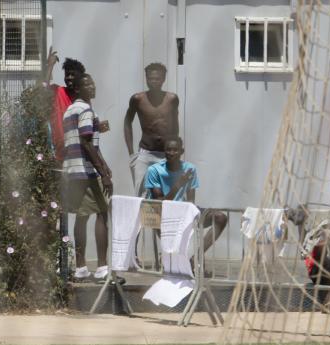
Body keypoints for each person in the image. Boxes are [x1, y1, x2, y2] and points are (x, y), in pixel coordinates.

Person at [144, 137, 227, 268]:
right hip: (162, 214)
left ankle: (197, 257)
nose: (171, 153)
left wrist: (190, 216)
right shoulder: (154, 170)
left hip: (183, 210)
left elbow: (190, 201)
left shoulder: (189, 169)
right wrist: (179, 184)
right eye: (168, 150)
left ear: (181, 151)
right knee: (175, 255)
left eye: (175, 150)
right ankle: (170, 255)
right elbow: (160, 202)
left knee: (220, 218)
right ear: (164, 152)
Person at [62, 73, 113, 281]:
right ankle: (102, 267)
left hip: (73, 170)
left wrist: (105, 164)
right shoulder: (85, 109)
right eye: (86, 84)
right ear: (78, 89)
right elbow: (86, 142)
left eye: (92, 82)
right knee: (102, 212)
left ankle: (81, 267)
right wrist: (103, 172)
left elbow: (86, 139)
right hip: (87, 171)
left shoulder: (69, 110)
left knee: (82, 216)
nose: (91, 86)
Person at [124, 63, 180, 196]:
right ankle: (140, 217)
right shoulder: (137, 99)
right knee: (141, 193)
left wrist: (175, 151)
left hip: (165, 155)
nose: (153, 82)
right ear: (146, 79)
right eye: (150, 78)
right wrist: (132, 153)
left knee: (166, 193)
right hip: (145, 153)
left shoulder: (172, 99)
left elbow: (175, 125)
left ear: (163, 79)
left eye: (157, 79)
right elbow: (127, 122)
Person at [43, 48, 86, 165]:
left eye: (73, 75)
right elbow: (43, 90)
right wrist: (50, 66)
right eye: (67, 74)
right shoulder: (58, 91)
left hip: (78, 155)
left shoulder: (83, 99)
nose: (70, 77)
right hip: (58, 154)